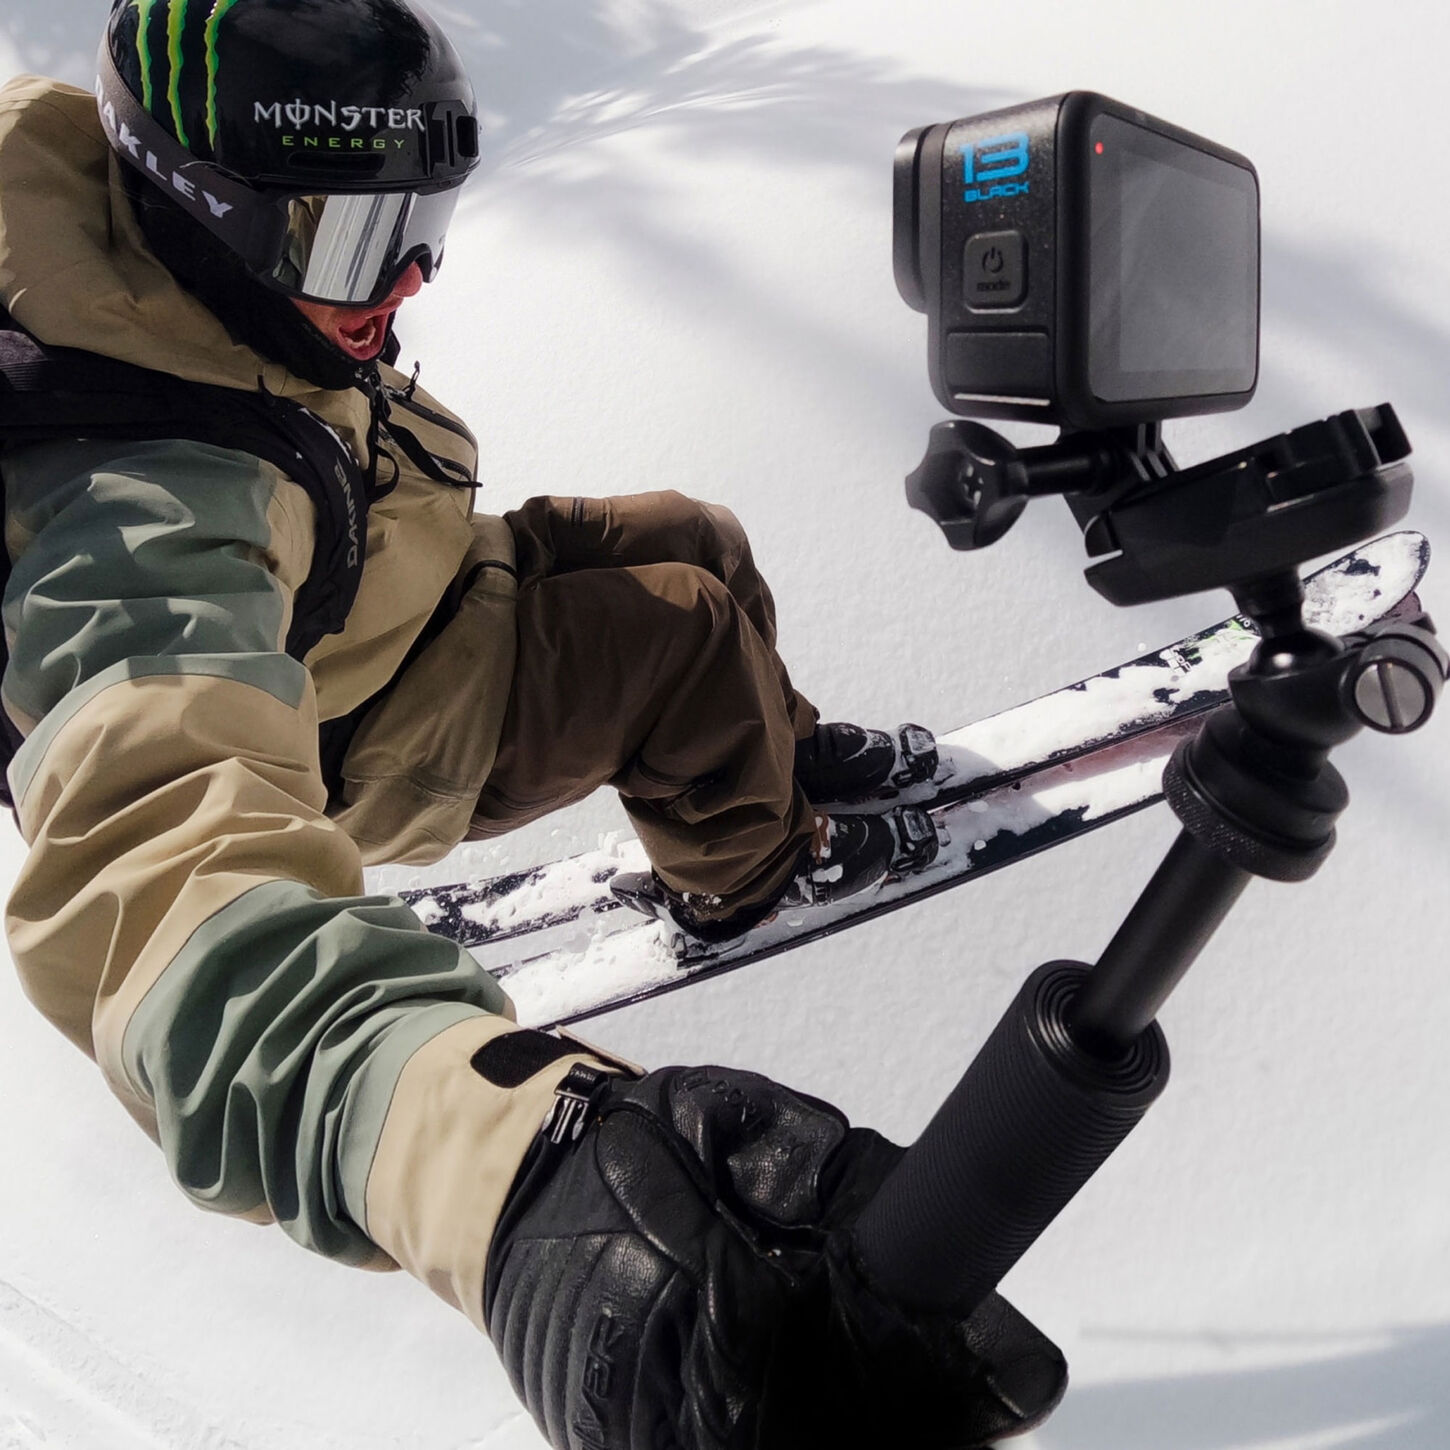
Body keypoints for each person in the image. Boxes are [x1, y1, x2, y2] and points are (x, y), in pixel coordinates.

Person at [0, 1, 1066, 1444]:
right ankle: (748, 864)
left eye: (421, 224)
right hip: (364, 723)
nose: (409, 280)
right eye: (360, 245)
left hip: (408, 589)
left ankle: (775, 755)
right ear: (213, 211)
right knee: (677, 635)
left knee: (699, 533)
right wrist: (510, 1178)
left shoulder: (128, 236)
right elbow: (158, 887)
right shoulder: (131, 517)